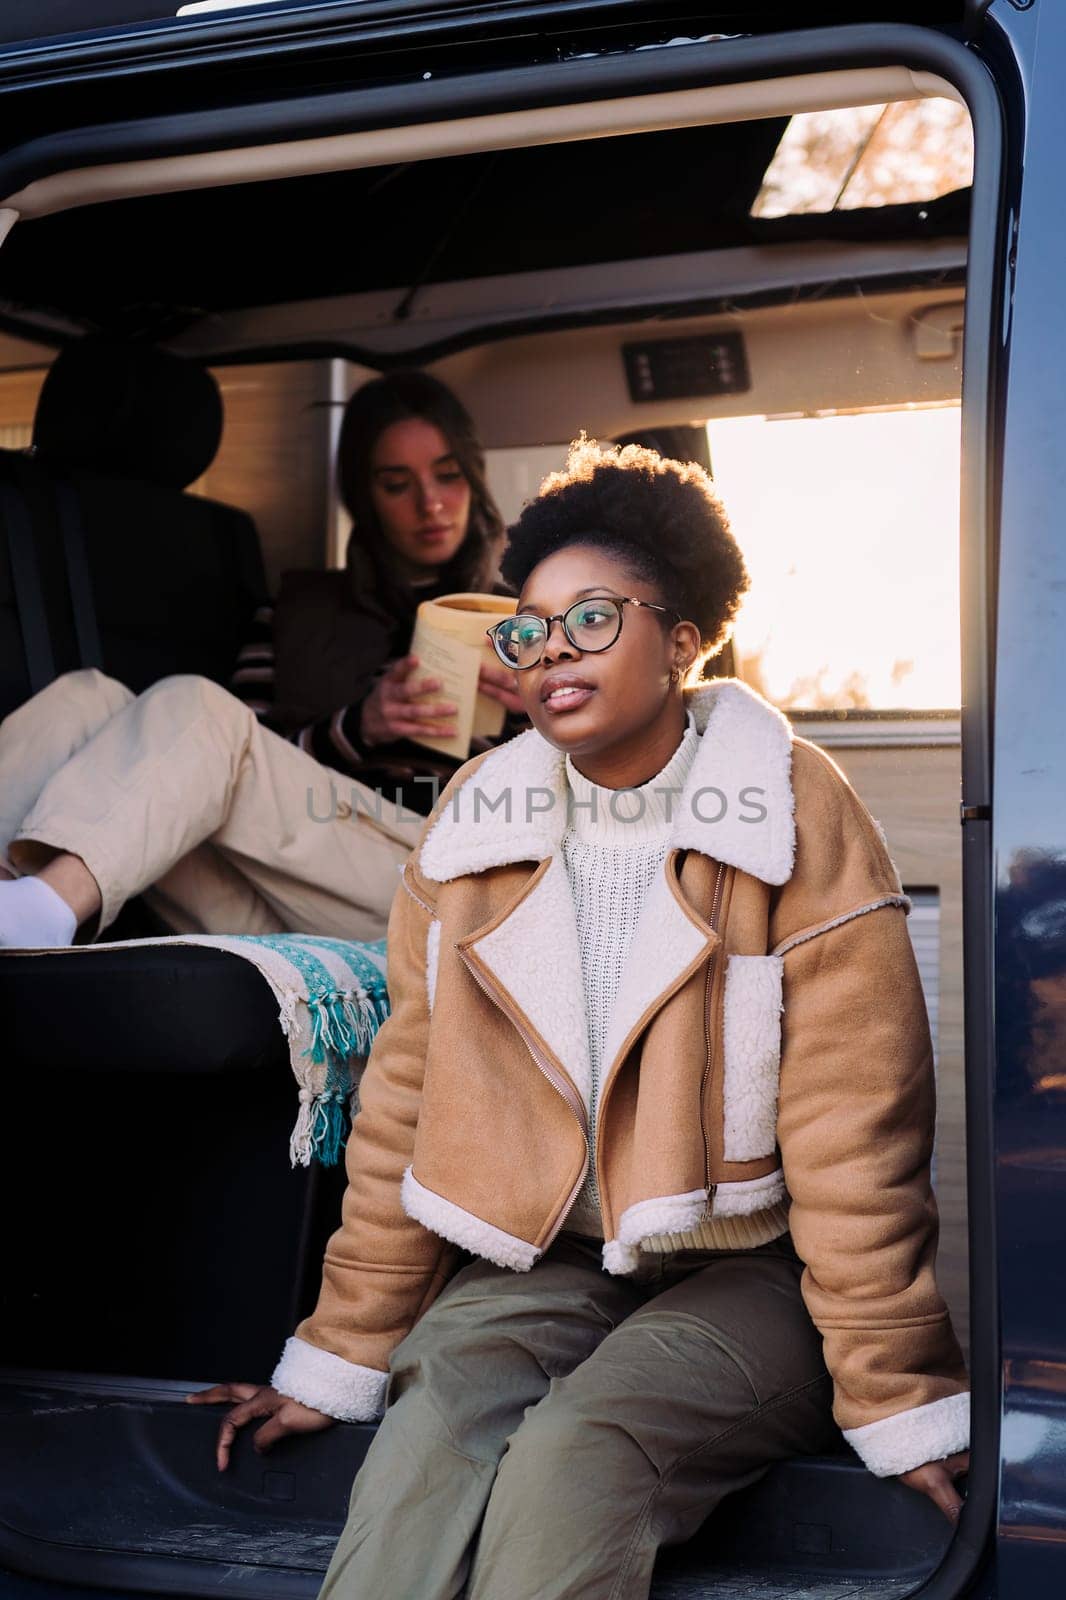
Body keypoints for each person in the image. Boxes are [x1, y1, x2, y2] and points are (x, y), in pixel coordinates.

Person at [190, 438, 970, 1600]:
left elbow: (858, 1131)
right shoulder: (474, 824)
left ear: (685, 639)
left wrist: (898, 1393)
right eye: (529, 625)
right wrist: (342, 1350)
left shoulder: (792, 814)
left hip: (753, 1268)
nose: (550, 646)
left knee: (578, 1451)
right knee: (429, 1425)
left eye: (593, 618)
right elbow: (403, 1104)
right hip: (546, 1248)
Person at [0, 371, 524, 948]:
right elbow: (232, 754)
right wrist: (359, 727)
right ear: (365, 498)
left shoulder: (532, 619)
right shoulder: (295, 612)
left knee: (199, 704)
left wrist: (541, 709)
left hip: (426, 877)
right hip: (275, 884)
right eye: (397, 484)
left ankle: (48, 906)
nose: (431, 502)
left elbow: (583, 793)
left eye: (448, 476)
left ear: (473, 478)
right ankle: (17, 901)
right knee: (85, 698)